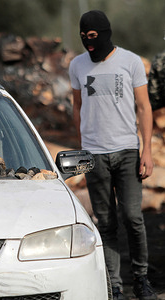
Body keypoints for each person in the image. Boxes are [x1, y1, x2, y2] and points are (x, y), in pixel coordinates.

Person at [69, 10, 157, 300]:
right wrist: (81, 147)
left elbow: (144, 108)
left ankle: (142, 279)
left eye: (93, 36)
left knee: (133, 218)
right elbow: (77, 106)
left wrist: (148, 150)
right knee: (105, 223)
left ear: (105, 33)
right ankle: (115, 286)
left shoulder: (130, 62)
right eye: (84, 37)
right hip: (94, 155)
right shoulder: (77, 65)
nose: (88, 42)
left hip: (128, 152)